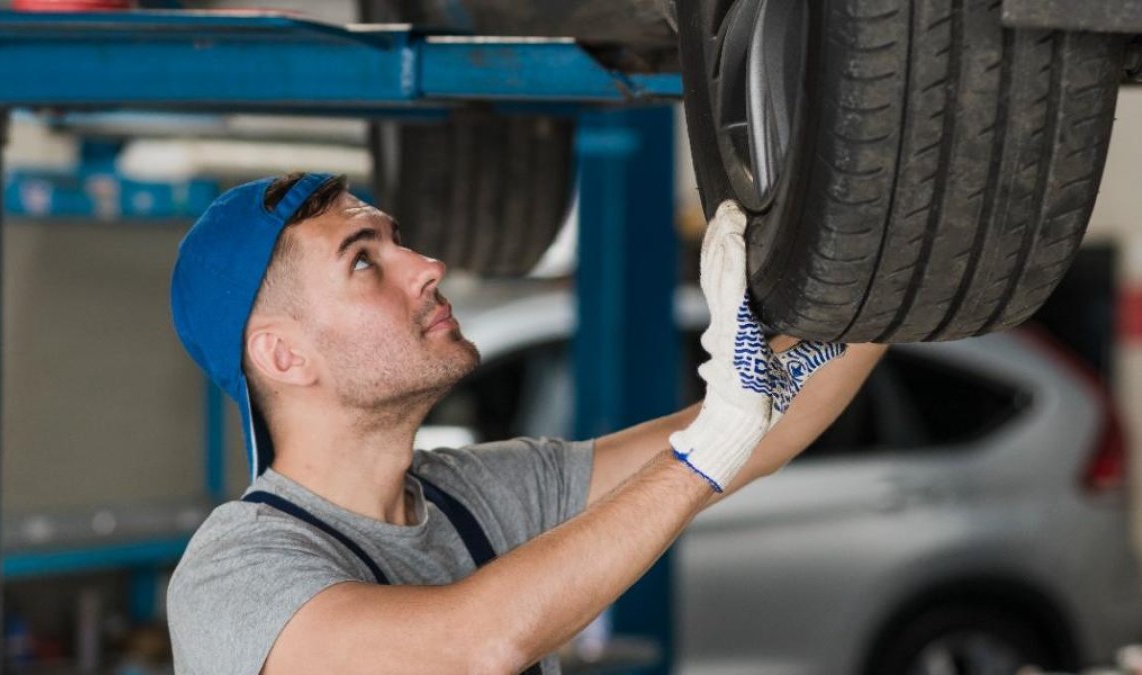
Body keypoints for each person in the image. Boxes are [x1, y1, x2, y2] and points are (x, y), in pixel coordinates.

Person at [166, 172, 886, 675]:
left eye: (396, 240)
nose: (426, 265)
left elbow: (757, 431)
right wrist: (709, 446)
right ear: (285, 356)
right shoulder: (236, 573)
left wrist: (904, 253)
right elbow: (471, 649)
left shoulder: (476, 495)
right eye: (363, 261)